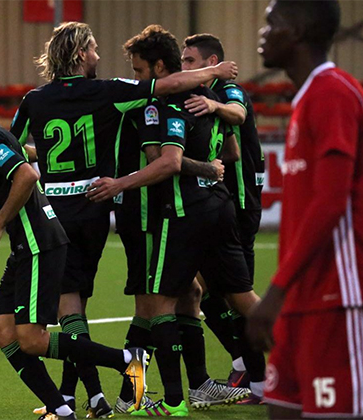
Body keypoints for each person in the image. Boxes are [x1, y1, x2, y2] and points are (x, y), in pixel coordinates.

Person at [10, 21, 238, 417]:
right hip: (98, 208)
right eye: (94, 48)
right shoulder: (107, 91)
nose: (99, 55)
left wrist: (42, 154)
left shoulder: (35, 99)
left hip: (58, 210)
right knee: (100, 303)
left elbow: (15, 148)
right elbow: (166, 86)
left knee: (75, 309)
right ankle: (100, 395)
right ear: (82, 54)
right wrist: (214, 73)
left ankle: (100, 394)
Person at [0, 78, 150, 420]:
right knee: (4, 333)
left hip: (39, 244)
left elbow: (27, 177)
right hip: (25, 246)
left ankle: (126, 361)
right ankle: (61, 409)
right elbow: (12, 188)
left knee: (31, 339)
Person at [87, 25, 253, 416]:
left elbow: (170, 161)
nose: (137, 78)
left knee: (169, 300)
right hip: (170, 209)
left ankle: (167, 392)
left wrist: (200, 168)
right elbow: (224, 150)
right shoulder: (189, 97)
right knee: (175, 299)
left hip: (162, 212)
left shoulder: (162, 102)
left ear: (159, 67)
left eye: (141, 71)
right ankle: (166, 390)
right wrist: (209, 169)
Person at [247, 1, 363, 418]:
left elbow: (331, 202)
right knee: (281, 409)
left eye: (272, 21)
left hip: (338, 298)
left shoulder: (332, 93)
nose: (263, 31)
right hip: (299, 303)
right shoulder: (308, 97)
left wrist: (273, 292)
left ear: (299, 30)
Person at [181, 33, 267, 402]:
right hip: (211, 207)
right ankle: (243, 364)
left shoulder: (224, 89)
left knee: (236, 296)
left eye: (189, 60)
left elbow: (239, 114)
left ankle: (270, 375)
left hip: (238, 205)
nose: (183, 66)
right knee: (202, 292)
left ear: (211, 61)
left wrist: (213, 106)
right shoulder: (193, 95)